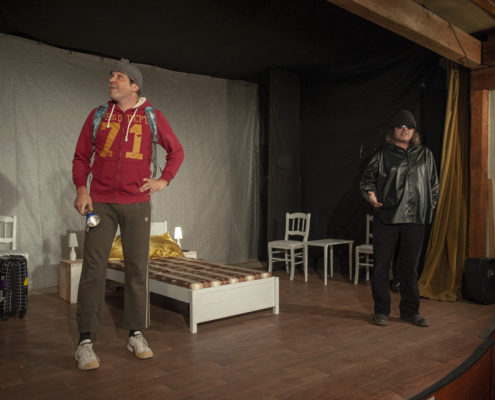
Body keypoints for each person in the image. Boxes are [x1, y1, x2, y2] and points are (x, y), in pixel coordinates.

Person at [72, 59, 184, 370]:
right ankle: (85, 342)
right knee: (93, 268)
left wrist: (163, 180)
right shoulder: (98, 115)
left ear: (135, 86)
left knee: (137, 267)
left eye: (119, 77)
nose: (112, 80)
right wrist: (82, 189)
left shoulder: (151, 116)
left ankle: (136, 334)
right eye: (111, 75)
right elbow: (81, 156)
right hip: (100, 203)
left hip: (137, 203)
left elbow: (177, 152)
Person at [360, 110, 438, 328]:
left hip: (415, 219)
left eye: (409, 126)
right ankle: (381, 311)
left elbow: (434, 185)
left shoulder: (425, 155)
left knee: (409, 268)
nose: (405, 129)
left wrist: (428, 207)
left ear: (414, 131)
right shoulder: (382, 155)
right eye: (401, 126)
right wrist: (370, 193)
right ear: (394, 130)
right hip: (387, 217)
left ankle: (410, 312)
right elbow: (367, 179)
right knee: (381, 267)